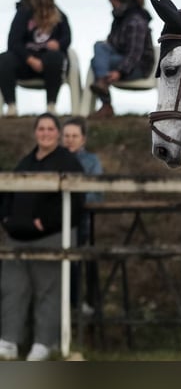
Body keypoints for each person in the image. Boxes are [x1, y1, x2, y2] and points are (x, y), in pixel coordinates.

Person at [0, 113, 85, 361]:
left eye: (50, 129)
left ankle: (44, 343)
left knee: (49, 291)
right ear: (36, 132)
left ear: (57, 133)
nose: (45, 133)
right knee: (12, 289)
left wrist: (44, 222)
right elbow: (7, 193)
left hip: (52, 237)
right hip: (16, 238)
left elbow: (76, 202)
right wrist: (6, 219)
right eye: (41, 129)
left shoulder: (68, 162)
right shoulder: (25, 162)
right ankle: (8, 341)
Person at [0, 0, 72, 117]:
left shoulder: (59, 15)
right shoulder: (23, 13)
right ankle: (11, 106)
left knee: (55, 57)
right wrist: (30, 59)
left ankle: (51, 105)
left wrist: (58, 44)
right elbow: (13, 42)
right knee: (4, 60)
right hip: (25, 63)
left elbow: (67, 38)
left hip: (50, 66)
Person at [88, 0, 155, 118]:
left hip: (138, 66)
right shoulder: (120, 17)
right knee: (99, 46)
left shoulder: (136, 20)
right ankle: (103, 87)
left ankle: (105, 99)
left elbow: (135, 54)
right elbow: (113, 42)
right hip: (120, 58)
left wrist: (120, 72)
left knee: (96, 62)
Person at [62, 116, 103, 315]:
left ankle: (77, 303)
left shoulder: (91, 161)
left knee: (76, 263)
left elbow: (96, 193)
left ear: (83, 139)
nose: (70, 139)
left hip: (80, 222)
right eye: (67, 135)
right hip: (55, 222)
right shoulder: (55, 158)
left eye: (74, 136)